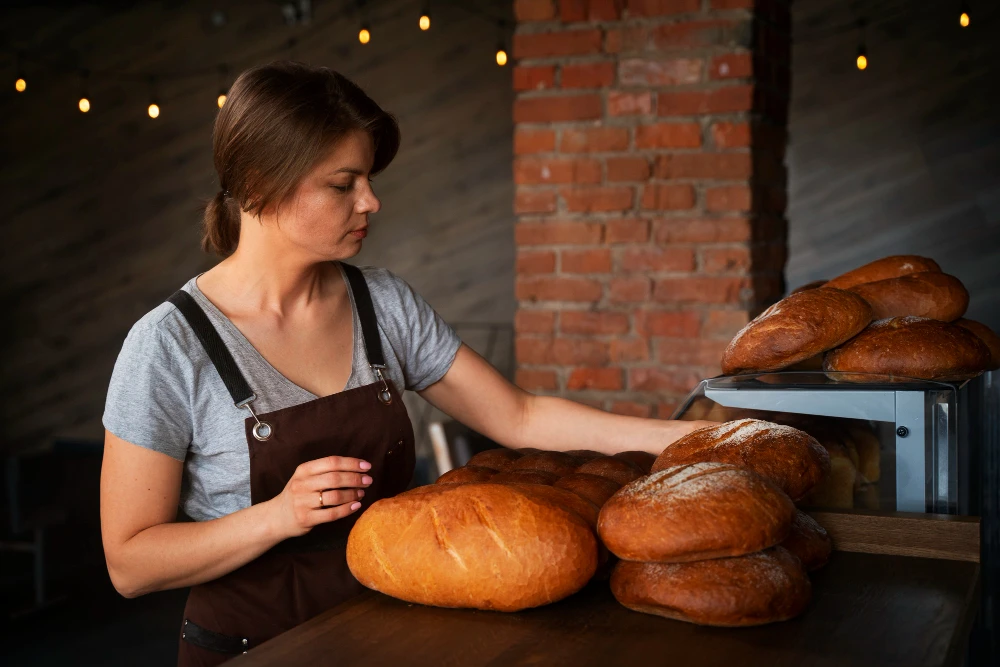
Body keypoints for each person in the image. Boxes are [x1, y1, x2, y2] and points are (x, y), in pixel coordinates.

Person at [99, 61, 712, 666]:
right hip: (251, 649)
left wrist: (695, 440)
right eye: (344, 184)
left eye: (367, 178)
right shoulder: (168, 346)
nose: (371, 200)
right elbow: (130, 564)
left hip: (393, 631)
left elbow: (521, 417)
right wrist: (276, 517)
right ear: (259, 184)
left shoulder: (382, 303)